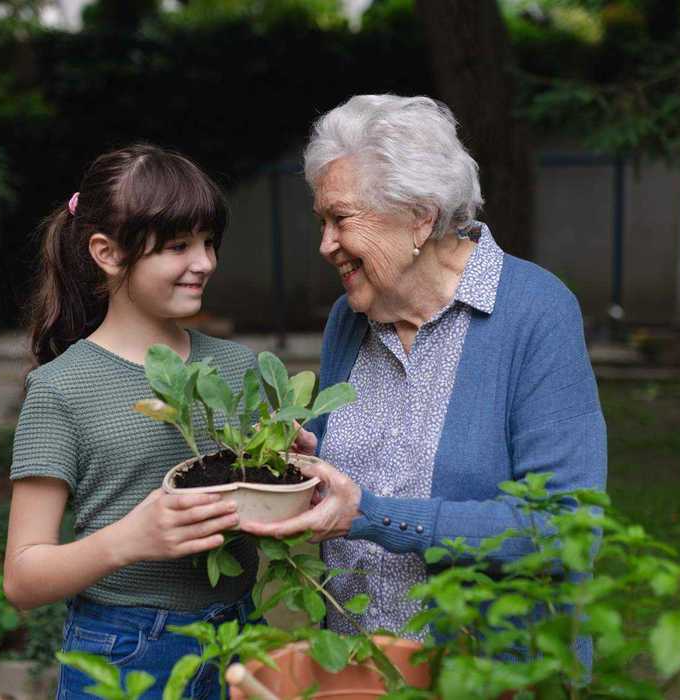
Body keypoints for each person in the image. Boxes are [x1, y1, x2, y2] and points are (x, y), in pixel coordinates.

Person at [239, 95, 608, 666]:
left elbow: (567, 530)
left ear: (420, 217)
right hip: (358, 663)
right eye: (322, 222)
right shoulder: (351, 317)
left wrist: (374, 517)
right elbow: (347, 479)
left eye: (341, 219)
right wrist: (301, 464)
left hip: (486, 671)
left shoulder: (534, 312)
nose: (325, 244)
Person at [3, 144, 257, 700]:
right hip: (127, 648)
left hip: (243, 640)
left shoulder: (242, 370)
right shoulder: (61, 389)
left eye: (209, 242)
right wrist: (130, 540)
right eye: (177, 246)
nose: (205, 262)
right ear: (107, 253)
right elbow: (22, 579)